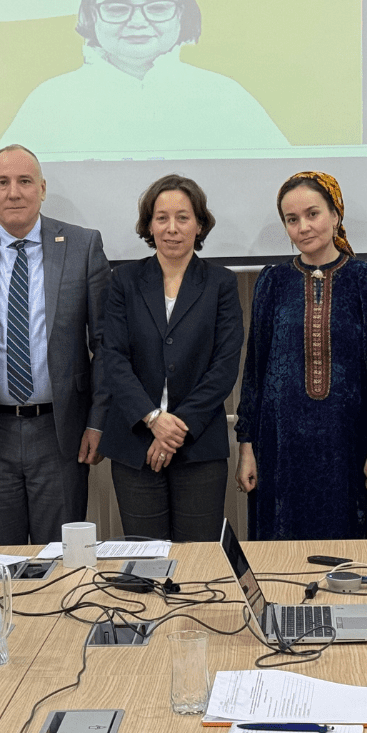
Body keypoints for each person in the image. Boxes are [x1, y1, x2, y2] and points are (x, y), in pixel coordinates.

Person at [0, 144, 109, 546]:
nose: (14, 192)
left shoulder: (83, 246)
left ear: (42, 189)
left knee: (61, 562)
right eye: (3, 182)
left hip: (61, 433)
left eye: (25, 181)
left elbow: (105, 344)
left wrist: (99, 421)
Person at [0, 0, 288, 153]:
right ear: (91, 15)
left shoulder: (224, 95)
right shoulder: (50, 100)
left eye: (158, 7)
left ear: (181, 13)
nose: (138, 22)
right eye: (117, 8)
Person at [235, 171, 367, 544]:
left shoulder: (364, 279)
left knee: (348, 555)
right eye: (292, 219)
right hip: (280, 450)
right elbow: (255, 370)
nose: (303, 227)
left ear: (336, 214)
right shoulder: (272, 282)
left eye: (313, 214)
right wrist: (247, 447)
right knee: (282, 558)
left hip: (347, 450)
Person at [97, 174, 243, 541]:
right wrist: (152, 419)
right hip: (135, 445)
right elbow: (112, 356)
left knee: (198, 562)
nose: (172, 228)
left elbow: (224, 366)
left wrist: (174, 429)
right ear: (149, 225)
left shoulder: (221, 284)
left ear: (199, 224)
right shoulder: (124, 280)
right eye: (161, 218)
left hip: (199, 446)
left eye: (183, 217)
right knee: (146, 562)